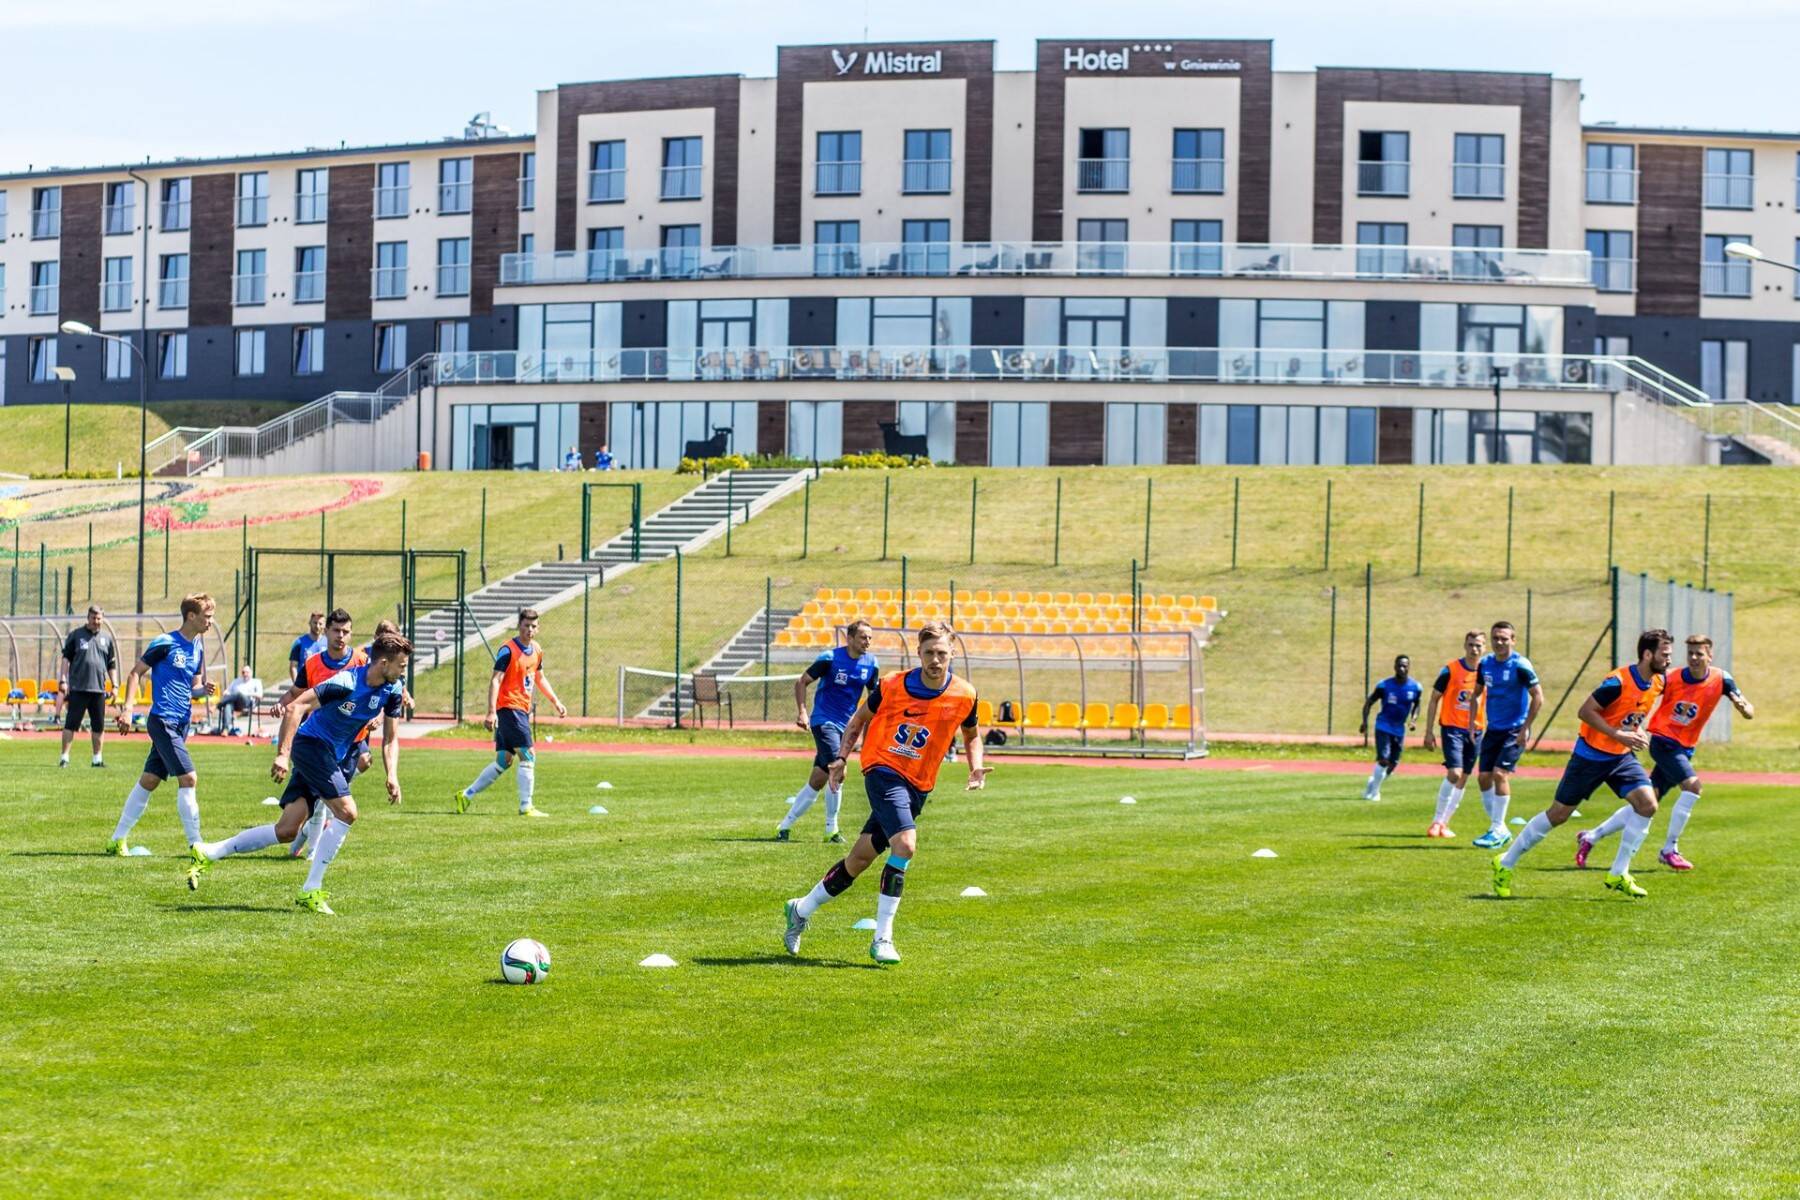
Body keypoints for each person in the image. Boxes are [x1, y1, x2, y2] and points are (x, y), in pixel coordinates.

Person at [781, 622, 989, 965]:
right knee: (905, 845)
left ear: (952, 653)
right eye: (928, 653)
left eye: (941, 653)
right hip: (882, 770)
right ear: (918, 654)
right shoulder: (892, 684)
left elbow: (972, 735)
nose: (935, 660)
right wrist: (841, 759)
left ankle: (801, 908)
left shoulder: (965, 694)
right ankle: (883, 938)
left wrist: (975, 766)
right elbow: (858, 721)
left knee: (859, 859)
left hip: (919, 785)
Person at [189, 634, 411, 914]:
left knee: (286, 830)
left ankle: (210, 851)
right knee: (347, 812)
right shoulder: (346, 682)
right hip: (311, 746)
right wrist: (282, 753)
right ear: (383, 663)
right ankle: (311, 889)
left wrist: (392, 774)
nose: (403, 671)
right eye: (401, 666)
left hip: (332, 754)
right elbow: (295, 708)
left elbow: (391, 738)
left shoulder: (393, 690)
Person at [1490, 630, 1671, 900]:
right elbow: (1585, 712)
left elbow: (1631, 714)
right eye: (1664, 654)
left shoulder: (1658, 681)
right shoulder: (1617, 682)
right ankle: (1505, 863)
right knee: (1558, 815)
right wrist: (1618, 734)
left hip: (1619, 757)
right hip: (1590, 757)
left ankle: (1619, 872)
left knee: (1647, 804)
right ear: (1648, 654)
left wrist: (1637, 729)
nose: (1668, 659)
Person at [1576, 633, 1753, 872]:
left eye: (1699, 653)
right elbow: (1641, 695)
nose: (1693, 658)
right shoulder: (1670, 678)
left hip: (1686, 748)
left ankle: (1591, 836)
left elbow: (1748, 708)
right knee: (1693, 786)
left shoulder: (1722, 679)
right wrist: (1627, 725)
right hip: (1664, 741)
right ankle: (1670, 849)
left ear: (1710, 656)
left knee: (1648, 801)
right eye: (1690, 653)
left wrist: (1744, 709)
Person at [106, 593, 217, 861]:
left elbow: (193, 689)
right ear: (191, 616)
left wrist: (204, 690)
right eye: (207, 616)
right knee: (189, 778)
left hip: (182, 723)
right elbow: (136, 673)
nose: (211, 622)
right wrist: (129, 709)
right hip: (163, 720)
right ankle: (196, 845)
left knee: (150, 780)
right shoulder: (165, 643)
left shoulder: (198, 647)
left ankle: (117, 839)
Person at [454, 608, 566, 817]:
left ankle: (466, 795)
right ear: (519, 626)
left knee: (503, 761)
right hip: (509, 708)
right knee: (528, 755)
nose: (530, 630)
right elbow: (496, 679)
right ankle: (526, 806)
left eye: (533, 626)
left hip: (521, 711)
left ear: (538, 628)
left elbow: (540, 678)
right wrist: (491, 712)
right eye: (526, 626)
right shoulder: (508, 650)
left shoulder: (537, 650)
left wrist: (555, 701)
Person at [776, 620, 879, 843]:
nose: (867, 641)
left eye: (870, 637)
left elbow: (874, 702)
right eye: (863, 637)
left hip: (847, 726)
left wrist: (868, 735)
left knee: (819, 778)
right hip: (824, 721)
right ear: (850, 638)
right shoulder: (830, 658)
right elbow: (802, 682)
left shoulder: (871, 663)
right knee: (838, 771)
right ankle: (832, 830)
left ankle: (784, 826)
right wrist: (802, 712)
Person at [280, 608, 368, 861]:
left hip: (352, 740)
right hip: (319, 738)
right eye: (336, 631)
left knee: (335, 794)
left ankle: (302, 839)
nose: (340, 636)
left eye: (346, 632)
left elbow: (374, 691)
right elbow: (296, 693)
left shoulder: (361, 661)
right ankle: (311, 851)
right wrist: (282, 704)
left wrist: (373, 718)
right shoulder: (314, 662)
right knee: (321, 800)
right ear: (326, 632)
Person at [1467, 621, 1543, 849]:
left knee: (1500, 774)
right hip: (1493, 729)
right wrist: (1472, 725)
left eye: (1504, 638)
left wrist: (1525, 728)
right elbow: (1476, 694)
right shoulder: (1486, 664)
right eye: (1496, 638)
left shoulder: (1520, 665)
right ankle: (1498, 827)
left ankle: (1497, 828)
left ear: (1513, 640)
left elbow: (1538, 696)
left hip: (1514, 730)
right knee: (1483, 778)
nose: (1499, 642)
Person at [1421, 630, 1486, 838]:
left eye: (1478, 645)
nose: (1474, 649)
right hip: (1452, 728)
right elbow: (1434, 699)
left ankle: (1444, 824)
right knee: (1454, 773)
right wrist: (1429, 731)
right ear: (1464, 645)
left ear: (1484, 648)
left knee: (1464, 778)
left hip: (1476, 730)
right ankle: (1436, 821)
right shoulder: (1451, 670)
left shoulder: (1487, 671)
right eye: (1470, 644)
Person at [60, 605, 118, 768]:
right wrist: (63, 680)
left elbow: (111, 664)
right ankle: (64, 757)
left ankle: (97, 759)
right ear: (88, 618)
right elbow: (66, 660)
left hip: (98, 690)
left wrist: (115, 685)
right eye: (93, 618)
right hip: (79, 688)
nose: (96, 621)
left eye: (99, 618)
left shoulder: (107, 639)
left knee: (98, 726)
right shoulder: (76, 636)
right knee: (71, 724)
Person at [1358, 654, 1421, 802]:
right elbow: (1369, 702)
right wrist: (1364, 722)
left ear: (1409, 667)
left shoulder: (1415, 687)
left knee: (1393, 765)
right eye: (1399, 665)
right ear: (1394, 667)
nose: (1402, 668)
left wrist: (1413, 720)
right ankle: (1375, 792)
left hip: (1399, 729)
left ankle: (1373, 782)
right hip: (1383, 725)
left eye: (1405, 665)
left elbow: (1417, 705)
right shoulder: (1384, 685)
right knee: (1384, 759)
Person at [213, 666, 264, 736]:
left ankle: (217, 705)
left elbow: (260, 695)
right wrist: (226, 693)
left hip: (247, 702)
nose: (245, 674)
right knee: (227, 705)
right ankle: (225, 729)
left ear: (251, 673)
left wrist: (246, 694)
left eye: (247, 672)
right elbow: (227, 691)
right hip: (234, 703)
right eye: (243, 672)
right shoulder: (236, 681)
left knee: (238, 694)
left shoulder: (256, 682)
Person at [288, 612, 326, 687]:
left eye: (320, 624)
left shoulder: (328, 643)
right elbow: (293, 666)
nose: (317, 626)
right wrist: (297, 685)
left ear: (324, 625)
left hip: (322, 687)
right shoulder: (299, 642)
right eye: (315, 623)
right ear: (309, 623)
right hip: (305, 686)